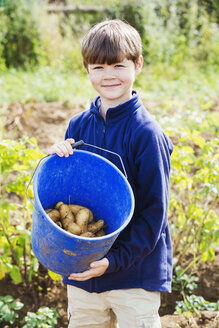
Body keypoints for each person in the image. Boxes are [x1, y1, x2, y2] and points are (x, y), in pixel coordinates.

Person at [47, 19, 173, 328]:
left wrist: (114, 261)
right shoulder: (77, 126)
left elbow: (154, 212)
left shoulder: (146, 134)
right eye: (98, 67)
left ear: (137, 64)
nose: (109, 76)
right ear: (87, 70)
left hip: (135, 274)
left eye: (118, 65)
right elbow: (65, 196)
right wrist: (55, 161)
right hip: (83, 270)